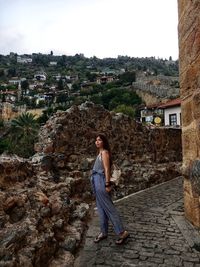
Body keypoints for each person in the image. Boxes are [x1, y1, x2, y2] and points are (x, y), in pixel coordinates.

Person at [90, 133, 130, 245]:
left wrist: (107, 184)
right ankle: (103, 232)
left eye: (99, 140)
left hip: (101, 182)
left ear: (104, 142)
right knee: (101, 208)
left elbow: (107, 169)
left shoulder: (104, 153)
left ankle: (122, 232)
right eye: (96, 140)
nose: (97, 142)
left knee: (109, 208)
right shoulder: (99, 153)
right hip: (96, 182)